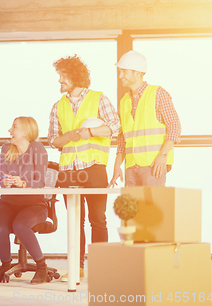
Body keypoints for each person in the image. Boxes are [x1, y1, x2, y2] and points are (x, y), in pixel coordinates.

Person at [48, 55, 120, 281]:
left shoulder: (99, 99)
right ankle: (76, 267)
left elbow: (114, 128)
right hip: (69, 171)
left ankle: (101, 267)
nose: (59, 80)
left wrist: (90, 132)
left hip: (95, 168)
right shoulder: (57, 106)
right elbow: (52, 140)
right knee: (74, 221)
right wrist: (67, 137)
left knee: (97, 219)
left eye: (63, 76)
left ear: (75, 76)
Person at [0, 116, 50, 284]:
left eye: (14, 127)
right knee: (0, 226)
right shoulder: (6, 149)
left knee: (20, 225)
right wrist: (5, 182)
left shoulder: (37, 149)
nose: (10, 130)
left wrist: (23, 183)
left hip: (34, 204)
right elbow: (1, 177)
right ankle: (5, 264)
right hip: (8, 202)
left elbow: (41, 181)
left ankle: (42, 267)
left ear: (24, 132)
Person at [109, 50, 181, 187]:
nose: (120, 76)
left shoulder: (158, 93)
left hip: (153, 165)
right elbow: (123, 137)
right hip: (131, 167)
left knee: (152, 207)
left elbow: (174, 126)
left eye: (124, 71)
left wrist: (163, 156)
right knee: (132, 208)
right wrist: (117, 166)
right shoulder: (124, 101)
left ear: (137, 72)